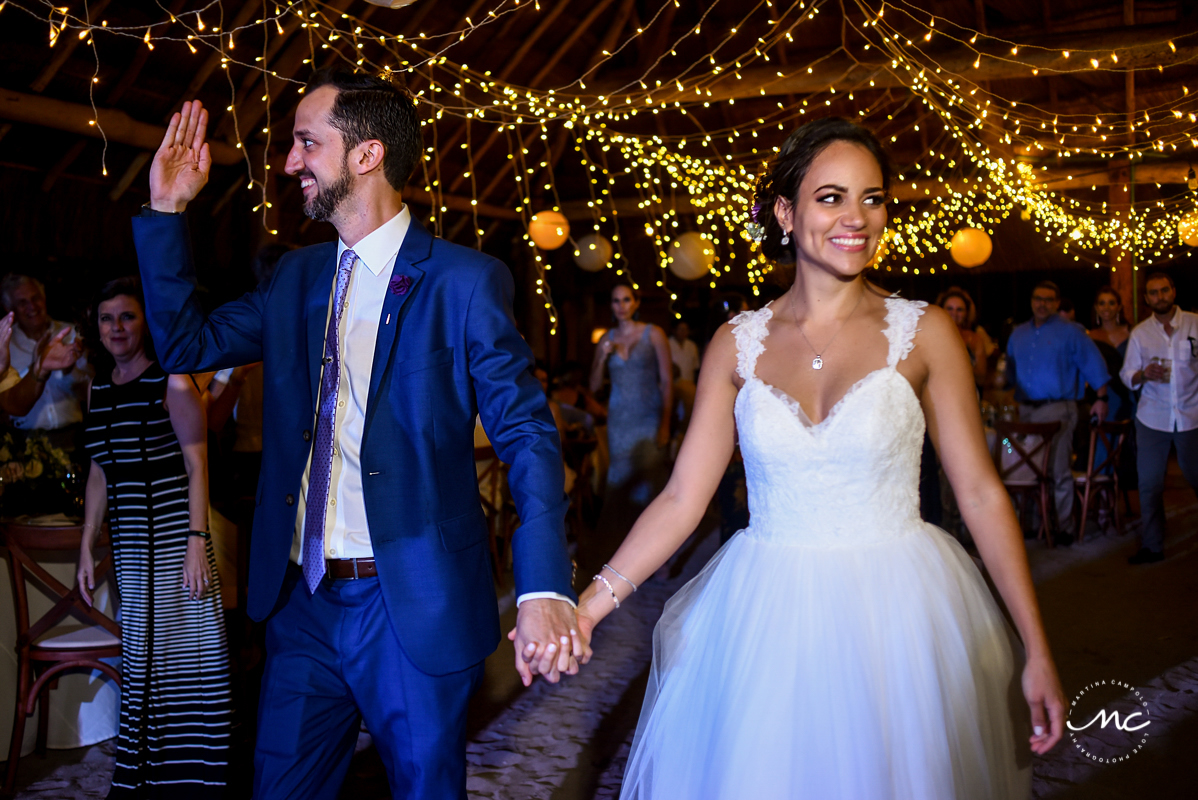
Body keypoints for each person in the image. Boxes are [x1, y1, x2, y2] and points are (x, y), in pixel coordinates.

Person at [572, 118, 1065, 798]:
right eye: (831, 197)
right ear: (785, 211)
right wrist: (589, 606)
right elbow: (683, 498)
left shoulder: (926, 331)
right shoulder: (734, 344)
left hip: (901, 611)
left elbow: (980, 494)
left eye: (874, 197)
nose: (856, 218)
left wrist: (1034, 648)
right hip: (765, 614)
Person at [134, 70, 579, 799]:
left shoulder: (464, 282)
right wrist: (164, 209)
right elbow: (184, 345)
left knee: (424, 789)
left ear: (366, 155)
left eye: (307, 143)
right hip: (301, 602)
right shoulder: (295, 279)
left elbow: (528, 434)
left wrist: (540, 585)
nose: (289, 164)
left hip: (409, 604)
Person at [75, 277, 230, 795]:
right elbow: (100, 470)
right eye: (106, 318)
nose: (116, 328)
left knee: (189, 661)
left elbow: (197, 465)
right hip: (131, 549)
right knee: (143, 664)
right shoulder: (96, 387)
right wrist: (87, 542)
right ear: (95, 327)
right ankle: (145, 779)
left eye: (127, 317)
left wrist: (195, 540)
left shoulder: (173, 378)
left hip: (175, 540)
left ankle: (195, 780)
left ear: (144, 323)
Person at [1005, 280, 1111, 536]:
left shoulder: (1071, 331)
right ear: (1031, 301)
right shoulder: (1017, 333)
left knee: (1057, 468)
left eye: (1049, 300)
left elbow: (1094, 364)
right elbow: (1008, 374)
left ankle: (1063, 528)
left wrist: (1102, 398)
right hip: (1025, 410)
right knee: (1026, 468)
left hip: (1058, 409)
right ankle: (1031, 525)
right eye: (1038, 299)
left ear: (1056, 303)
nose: (1043, 304)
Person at [588, 283, 673, 563]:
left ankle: (656, 557)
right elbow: (595, 386)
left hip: (648, 418)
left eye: (626, 300)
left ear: (636, 303)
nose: (621, 305)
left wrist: (665, 423)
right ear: (611, 306)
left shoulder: (654, 334)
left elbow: (667, 382)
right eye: (615, 301)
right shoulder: (606, 339)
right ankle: (623, 557)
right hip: (619, 422)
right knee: (620, 484)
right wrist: (602, 356)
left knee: (651, 483)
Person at [1119, 272, 1198, 564]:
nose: (1159, 297)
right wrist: (1142, 374)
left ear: (1173, 292)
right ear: (1147, 298)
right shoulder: (1140, 333)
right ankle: (1152, 545)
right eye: (1153, 293)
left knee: (1195, 476)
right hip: (1152, 416)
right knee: (1149, 483)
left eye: (1164, 290)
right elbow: (1127, 375)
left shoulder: (1194, 324)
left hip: (1192, 414)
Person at [0, 274, 89, 438]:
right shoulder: (5, 344)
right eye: (22, 302)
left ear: (45, 298)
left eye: (36, 298)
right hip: (24, 440)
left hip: (74, 435)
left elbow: (92, 395)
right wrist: (38, 365)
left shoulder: (72, 334)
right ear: (9, 308)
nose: (32, 306)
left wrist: (69, 371)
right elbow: (11, 405)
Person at [936, 286, 990, 385]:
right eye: (949, 308)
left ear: (966, 313)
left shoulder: (975, 339)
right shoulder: (933, 338)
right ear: (941, 310)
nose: (954, 313)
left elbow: (981, 378)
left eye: (960, 309)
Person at [1089, 285, 1130, 354]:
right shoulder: (1091, 336)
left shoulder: (1130, 332)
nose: (1106, 307)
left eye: (1111, 303)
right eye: (1102, 303)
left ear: (1119, 307)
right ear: (1096, 308)